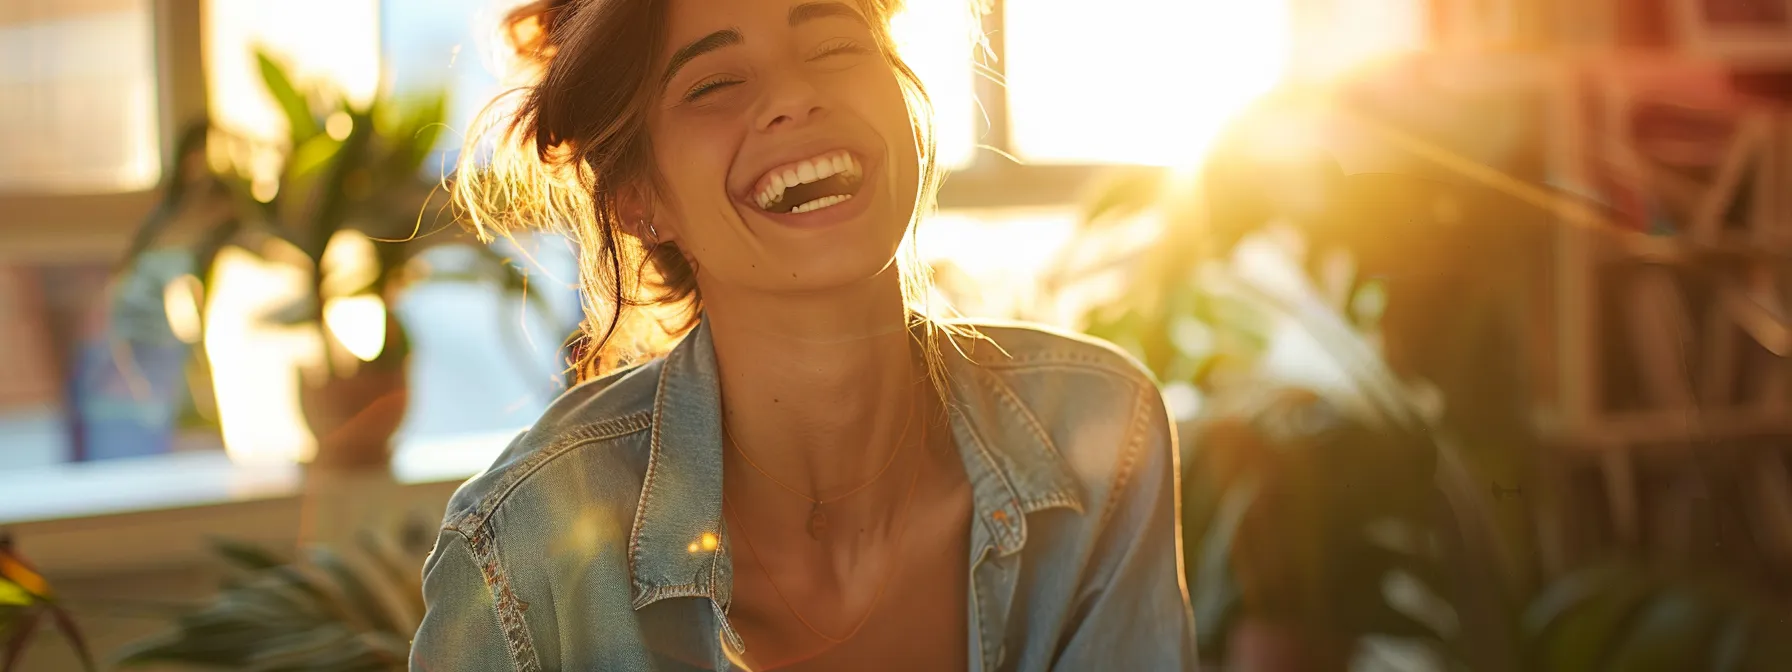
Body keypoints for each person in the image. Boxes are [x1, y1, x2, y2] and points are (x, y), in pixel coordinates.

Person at [410, 0, 1197, 669]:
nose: (796, 96)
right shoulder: (517, 553)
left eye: (834, 44)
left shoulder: (1100, 435)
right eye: (714, 83)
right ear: (639, 197)